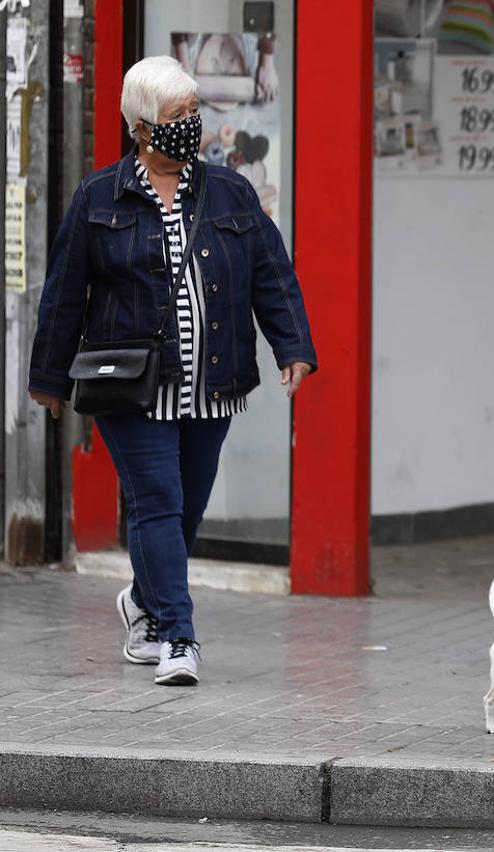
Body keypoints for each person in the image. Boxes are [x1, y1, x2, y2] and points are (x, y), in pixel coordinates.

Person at [27, 56, 318, 686]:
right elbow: (64, 291)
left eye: (194, 113)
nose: (192, 125)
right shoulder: (98, 196)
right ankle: (177, 636)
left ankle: (141, 599)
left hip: (213, 382)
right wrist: (49, 380)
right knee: (157, 501)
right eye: (176, 117)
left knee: (185, 506)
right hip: (128, 387)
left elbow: (271, 273)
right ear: (140, 129)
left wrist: (292, 346)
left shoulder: (230, 192)